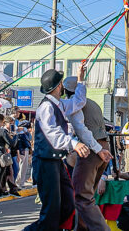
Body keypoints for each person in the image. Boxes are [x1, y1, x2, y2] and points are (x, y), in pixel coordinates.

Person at [23, 69, 88, 231]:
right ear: (59, 86)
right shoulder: (46, 107)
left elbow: (78, 101)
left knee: (67, 204)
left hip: (55, 162)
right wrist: (74, 144)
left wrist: (81, 80)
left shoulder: (59, 105)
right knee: (51, 211)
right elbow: (51, 132)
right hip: (45, 162)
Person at [62, 73, 113, 231]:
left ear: (65, 90)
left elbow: (83, 131)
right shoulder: (92, 103)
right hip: (104, 147)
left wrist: (96, 150)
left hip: (92, 150)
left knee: (82, 196)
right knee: (88, 197)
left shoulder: (74, 104)